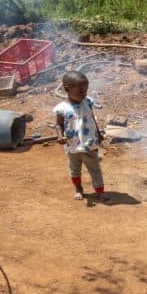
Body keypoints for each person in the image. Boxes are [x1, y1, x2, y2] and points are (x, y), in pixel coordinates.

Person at [54, 71, 107, 202]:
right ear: (67, 89)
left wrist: (99, 134)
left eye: (86, 90)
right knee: (74, 170)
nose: (84, 93)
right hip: (72, 146)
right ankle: (78, 189)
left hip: (89, 144)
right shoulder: (62, 108)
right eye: (80, 91)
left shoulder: (88, 102)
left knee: (95, 169)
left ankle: (100, 192)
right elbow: (58, 124)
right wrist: (60, 136)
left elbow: (92, 119)